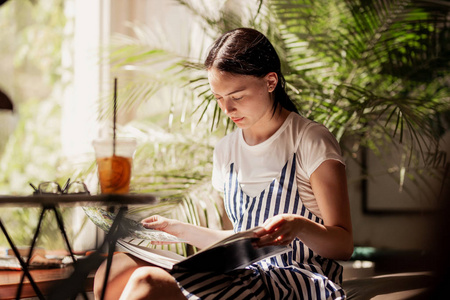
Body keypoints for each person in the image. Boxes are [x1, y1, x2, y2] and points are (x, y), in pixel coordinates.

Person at [93, 27, 353, 300]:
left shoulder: (310, 140)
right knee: (113, 271)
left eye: (237, 97)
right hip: (247, 276)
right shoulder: (226, 150)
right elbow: (240, 243)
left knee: (147, 282)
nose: (227, 110)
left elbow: (344, 245)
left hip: (297, 283)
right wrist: (179, 230)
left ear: (271, 82)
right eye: (219, 98)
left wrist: (299, 226)